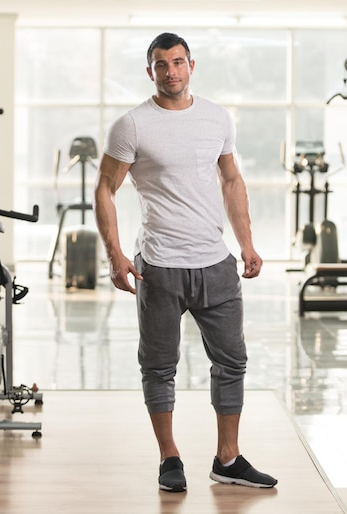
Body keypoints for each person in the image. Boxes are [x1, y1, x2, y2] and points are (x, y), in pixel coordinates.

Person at [93, 32, 278, 492]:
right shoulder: (132, 125)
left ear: (191, 65)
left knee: (232, 361)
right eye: (161, 64)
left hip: (215, 263)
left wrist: (247, 243)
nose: (170, 71)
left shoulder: (217, 117)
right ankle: (169, 457)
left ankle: (228, 459)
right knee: (159, 366)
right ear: (149, 70)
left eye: (178, 62)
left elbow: (231, 179)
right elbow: (104, 189)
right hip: (159, 264)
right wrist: (115, 253)